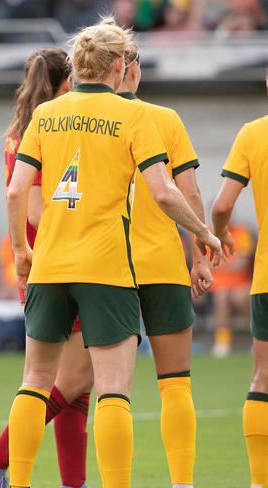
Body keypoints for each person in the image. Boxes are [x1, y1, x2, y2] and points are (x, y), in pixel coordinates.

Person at [5, 18, 221, 488]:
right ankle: (176, 482)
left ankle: (11, 476)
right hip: (120, 265)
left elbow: (16, 191)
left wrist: (21, 250)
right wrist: (204, 239)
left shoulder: (48, 113)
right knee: (138, 387)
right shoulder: (147, 117)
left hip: (54, 263)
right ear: (124, 65)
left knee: (38, 381)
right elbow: (174, 193)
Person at [0, 48, 93, 488]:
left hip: (43, 267)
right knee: (74, 377)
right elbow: (36, 209)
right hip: (58, 265)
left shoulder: (20, 130)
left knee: (72, 385)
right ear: (67, 84)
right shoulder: (48, 128)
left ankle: (65, 482)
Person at [119, 36, 213, 488]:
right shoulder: (164, 119)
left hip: (104, 270)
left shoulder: (76, 121)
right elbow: (187, 192)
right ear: (132, 68)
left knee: (110, 392)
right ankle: (181, 484)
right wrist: (200, 255)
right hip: (160, 264)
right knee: (175, 381)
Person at [211, 68, 268, 488]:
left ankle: (259, 481)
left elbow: (221, 204)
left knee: (263, 378)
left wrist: (222, 233)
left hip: (267, 278)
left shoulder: (253, 134)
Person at [210, 220, 254, 358]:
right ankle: (222, 343)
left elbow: (242, 263)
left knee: (242, 298)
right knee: (222, 296)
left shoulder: (242, 232)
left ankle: (256, 340)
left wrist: (221, 264)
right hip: (216, 284)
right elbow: (206, 263)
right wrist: (230, 264)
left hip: (240, 283)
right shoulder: (208, 233)